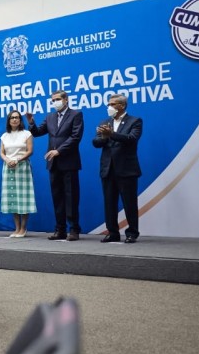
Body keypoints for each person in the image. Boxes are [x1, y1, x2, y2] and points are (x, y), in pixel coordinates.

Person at [26, 90, 84, 241]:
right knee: (57, 198)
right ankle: (60, 230)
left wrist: (59, 151)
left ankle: (74, 229)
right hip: (53, 164)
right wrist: (31, 122)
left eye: (57, 99)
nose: (55, 102)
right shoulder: (50, 117)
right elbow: (37, 132)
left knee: (71, 197)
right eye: (53, 100)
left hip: (69, 162)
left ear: (66, 100)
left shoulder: (76, 114)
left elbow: (75, 137)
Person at [92, 93, 142, 244]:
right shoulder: (105, 122)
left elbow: (131, 139)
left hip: (126, 169)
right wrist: (104, 137)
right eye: (108, 104)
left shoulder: (135, 121)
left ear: (122, 105)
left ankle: (132, 233)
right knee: (109, 203)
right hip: (108, 169)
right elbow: (96, 142)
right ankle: (112, 232)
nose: (109, 107)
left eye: (112, 104)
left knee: (129, 203)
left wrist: (111, 134)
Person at [0, 111, 36, 237]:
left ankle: (23, 228)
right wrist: (7, 160)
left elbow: (30, 151)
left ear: (20, 120)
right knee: (13, 198)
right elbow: (1, 152)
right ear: (9, 120)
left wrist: (17, 160)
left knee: (23, 198)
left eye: (17, 117)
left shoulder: (26, 133)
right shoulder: (4, 136)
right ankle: (17, 228)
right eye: (12, 118)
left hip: (22, 167)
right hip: (8, 167)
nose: (14, 120)